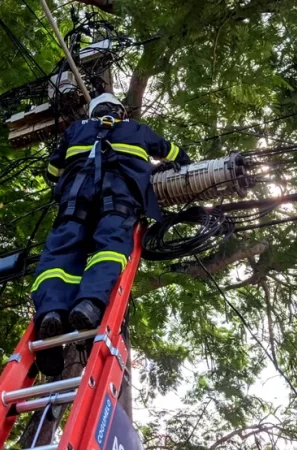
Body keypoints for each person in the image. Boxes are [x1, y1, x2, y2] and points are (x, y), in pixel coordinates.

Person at [31, 93, 190, 376]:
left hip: (75, 199)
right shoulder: (136, 129)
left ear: (93, 112)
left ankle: (52, 312)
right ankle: (90, 304)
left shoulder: (76, 129)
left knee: (61, 252)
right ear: (120, 112)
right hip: (119, 198)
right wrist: (175, 164)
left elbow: (53, 169)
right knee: (110, 247)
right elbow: (174, 152)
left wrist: (63, 173)